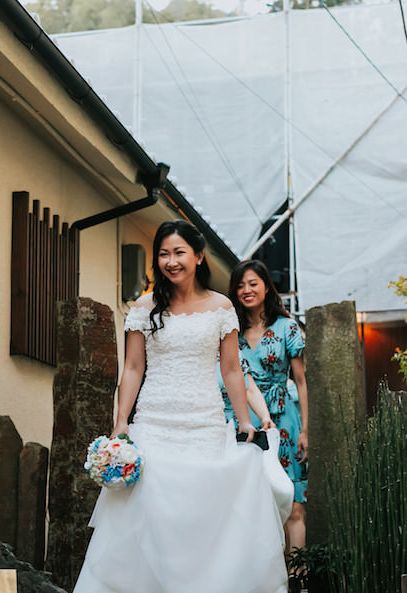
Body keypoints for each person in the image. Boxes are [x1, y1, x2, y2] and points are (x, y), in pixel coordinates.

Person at [73, 221, 291, 593]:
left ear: (198, 256)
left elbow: (231, 369)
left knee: (198, 518)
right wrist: (121, 421)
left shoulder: (222, 307)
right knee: (147, 516)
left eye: (179, 252)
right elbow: (133, 367)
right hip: (154, 423)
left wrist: (244, 421)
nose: (170, 261)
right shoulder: (144, 307)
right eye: (163, 254)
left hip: (204, 424)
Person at [230, 259, 309, 552]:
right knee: (252, 502)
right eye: (240, 286)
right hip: (242, 418)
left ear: (266, 286)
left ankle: (297, 578)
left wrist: (306, 430)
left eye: (253, 284)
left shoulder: (287, 327)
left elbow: (301, 381)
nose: (247, 290)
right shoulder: (231, 331)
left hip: (285, 418)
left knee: (294, 502)